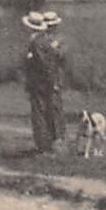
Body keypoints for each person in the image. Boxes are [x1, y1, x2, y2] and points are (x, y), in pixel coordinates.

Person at [22, 11, 66, 154]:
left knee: (41, 113)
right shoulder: (42, 40)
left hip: (41, 83)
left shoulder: (37, 42)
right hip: (45, 81)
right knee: (48, 110)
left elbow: (44, 63)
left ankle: (44, 144)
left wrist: (50, 80)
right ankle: (50, 142)